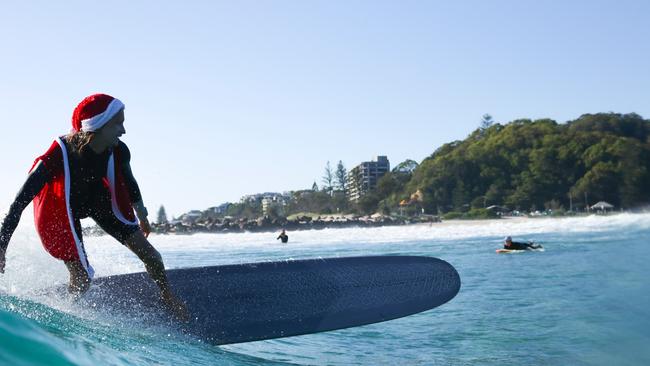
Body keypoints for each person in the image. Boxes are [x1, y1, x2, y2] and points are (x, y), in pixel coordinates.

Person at [0, 93, 186, 319]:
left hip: (98, 201)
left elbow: (129, 182)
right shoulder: (60, 152)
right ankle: (65, 312)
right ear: (98, 125)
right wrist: (2, 246)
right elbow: (20, 201)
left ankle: (168, 297)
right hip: (60, 209)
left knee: (153, 257)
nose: (123, 130)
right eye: (118, 124)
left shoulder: (118, 150)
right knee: (82, 280)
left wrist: (142, 215)